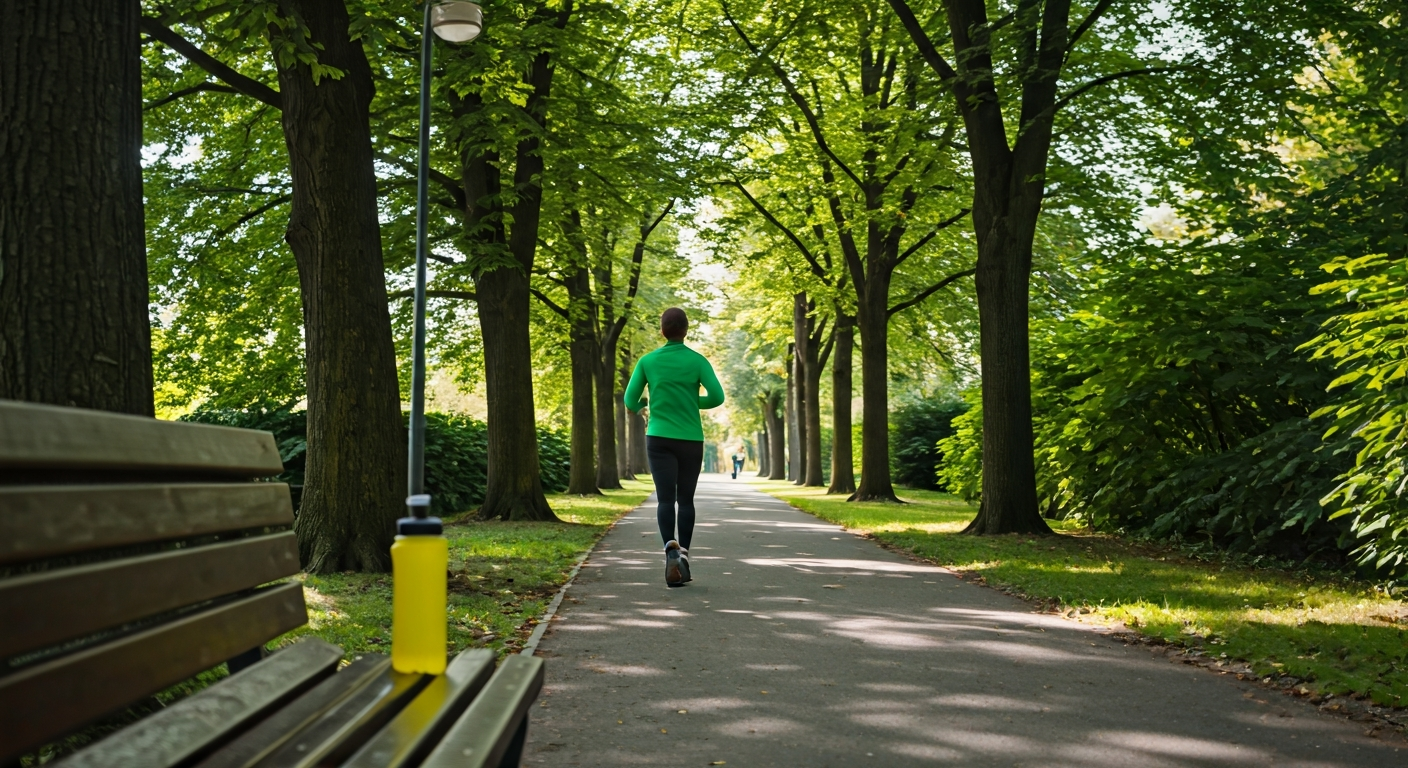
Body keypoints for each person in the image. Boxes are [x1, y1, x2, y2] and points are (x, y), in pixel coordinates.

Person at [624, 307, 725, 586]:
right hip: (690, 439)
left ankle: (670, 548)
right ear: (686, 330)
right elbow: (717, 397)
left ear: (662, 331)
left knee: (665, 499)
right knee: (686, 500)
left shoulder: (647, 361)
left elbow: (630, 401)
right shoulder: (697, 361)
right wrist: (691, 401)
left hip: (658, 438)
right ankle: (684, 556)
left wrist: (648, 402)